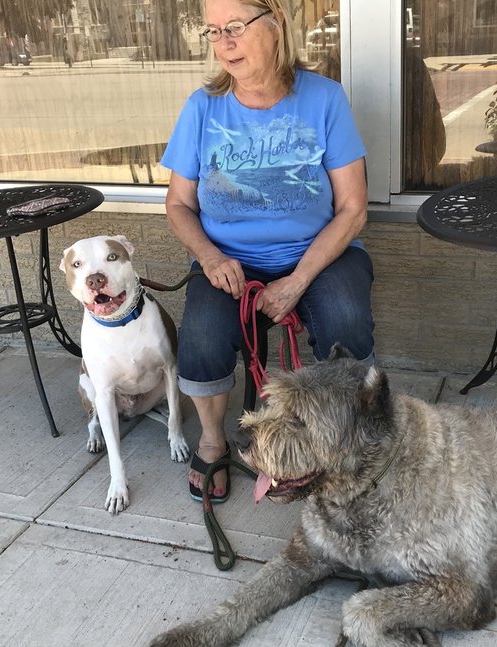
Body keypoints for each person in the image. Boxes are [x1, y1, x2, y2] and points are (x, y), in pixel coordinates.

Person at [161, 0, 374, 501]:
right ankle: (213, 442)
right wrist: (210, 258)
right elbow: (177, 204)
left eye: (234, 27)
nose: (223, 42)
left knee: (345, 319)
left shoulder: (324, 99)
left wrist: (298, 280)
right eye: (212, 31)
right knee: (203, 334)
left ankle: (347, 442)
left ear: (275, 24)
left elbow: (353, 210)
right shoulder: (202, 107)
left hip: (318, 254)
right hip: (227, 257)